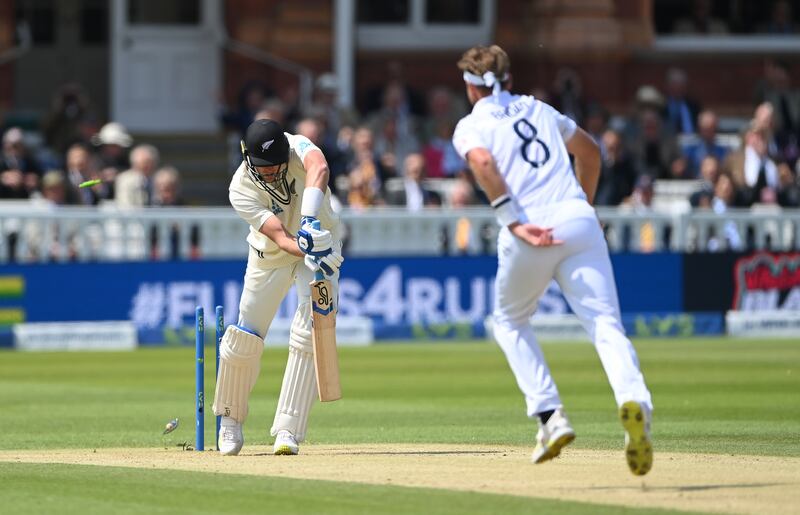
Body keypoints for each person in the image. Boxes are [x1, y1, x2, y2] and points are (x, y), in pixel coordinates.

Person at [452, 45, 653, 475]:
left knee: (508, 321)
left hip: (530, 229)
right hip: (577, 219)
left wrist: (510, 219)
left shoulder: (470, 124)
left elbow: (484, 162)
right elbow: (592, 152)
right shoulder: (540, 108)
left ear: (471, 87)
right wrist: (584, 204)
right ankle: (634, 400)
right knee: (605, 325)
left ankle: (550, 415)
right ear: (507, 79)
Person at [213, 118, 344, 456]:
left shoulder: (298, 146)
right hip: (272, 254)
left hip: (321, 245)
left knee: (308, 332)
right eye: (263, 168)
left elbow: (319, 166)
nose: (270, 174)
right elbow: (281, 238)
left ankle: (288, 431)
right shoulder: (240, 188)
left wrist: (312, 224)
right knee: (244, 337)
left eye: (276, 167)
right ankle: (230, 420)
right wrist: (305, 245)